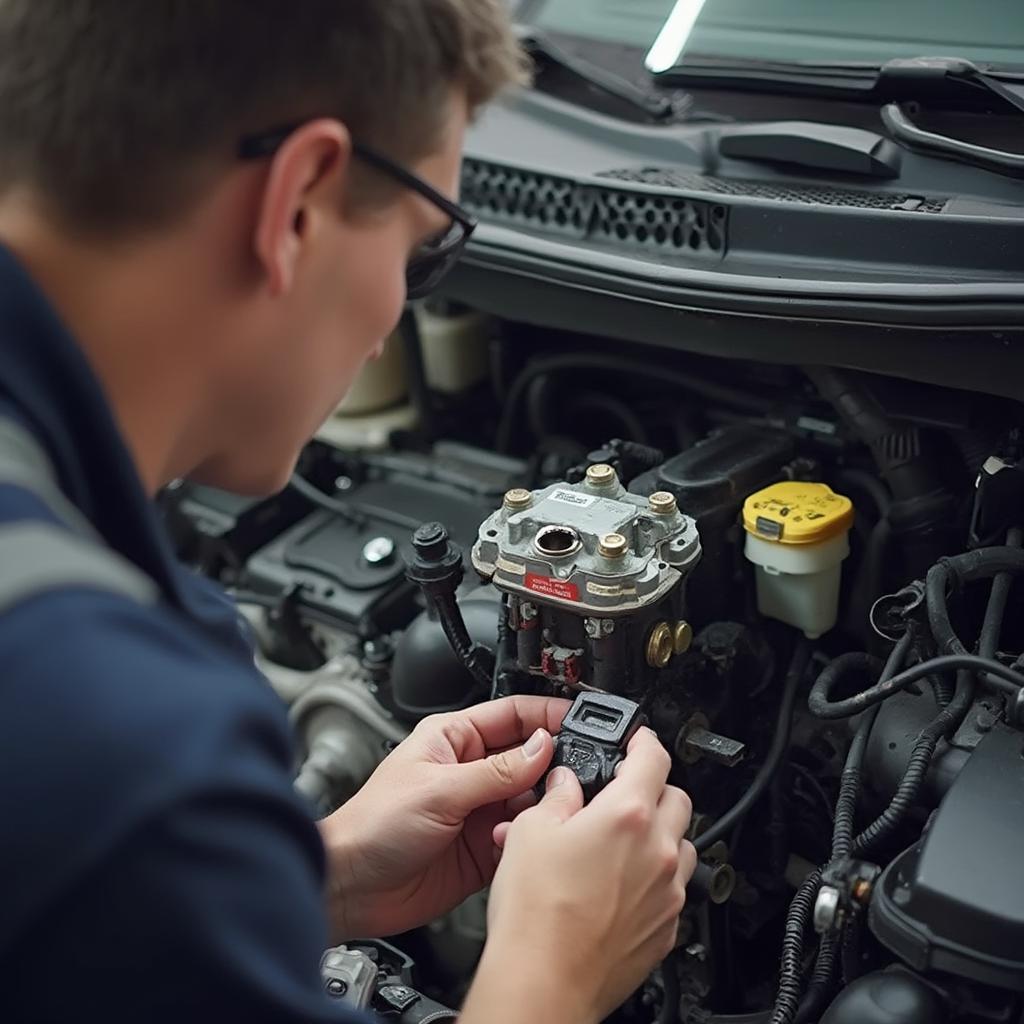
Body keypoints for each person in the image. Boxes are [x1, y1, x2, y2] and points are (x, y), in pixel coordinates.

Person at [0, 2, 697, 1021]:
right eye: (426, 251)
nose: (392, 319)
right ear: (299, 202)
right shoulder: (110, 723)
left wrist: (307, 878)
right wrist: (554, 970)